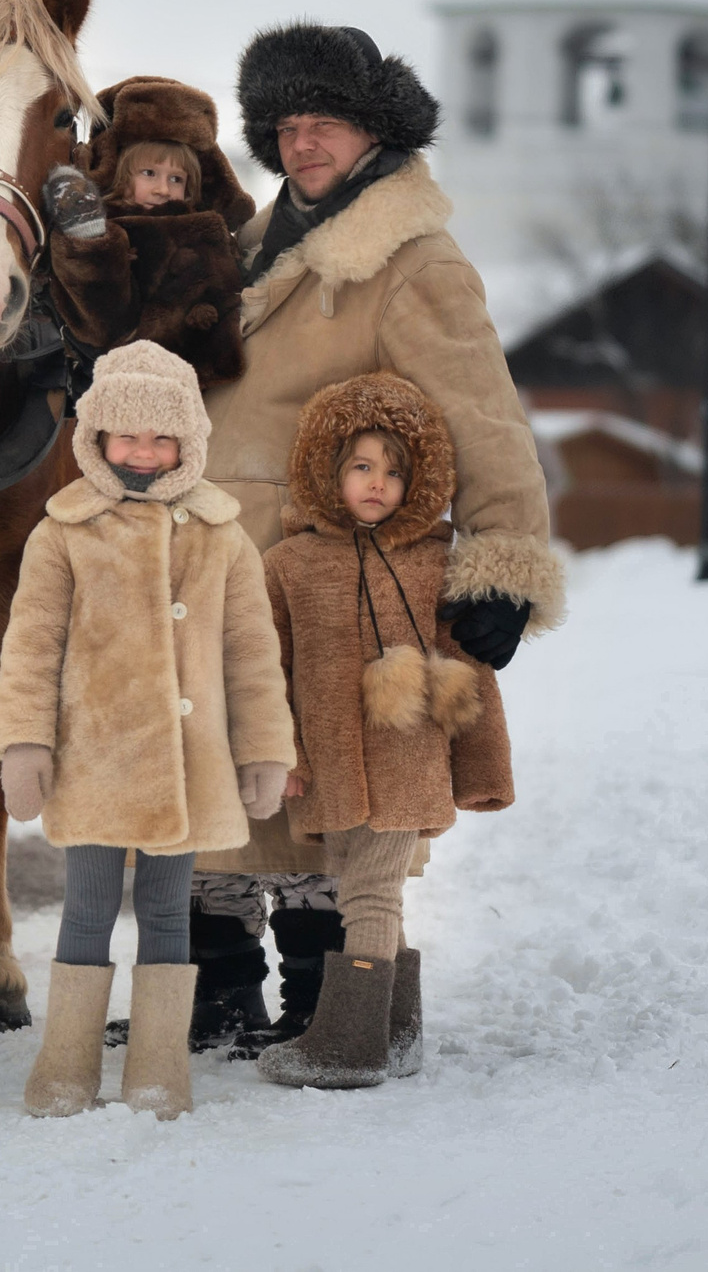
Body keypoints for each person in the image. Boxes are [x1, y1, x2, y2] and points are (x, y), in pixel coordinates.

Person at [191, 22, 562, 1051]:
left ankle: (326, 1001)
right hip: (224, 570)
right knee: (222, 791)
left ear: (375, 130)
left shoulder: (409, 260)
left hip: (333, 585)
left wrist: (500, 565)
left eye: (326, 122)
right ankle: (219, 997)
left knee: (324, 796)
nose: (302, 142)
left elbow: (483, 416)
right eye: (284, 124)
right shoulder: (260, 245)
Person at [0, 341, 296, 1118]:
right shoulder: (64, 531)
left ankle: (161, 1068)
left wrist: (264, 749)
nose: (143, 452)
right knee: (87, 910)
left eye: (162, 438)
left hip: (185, 767)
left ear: (189, 442)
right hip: (94, 761)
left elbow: (252, 655)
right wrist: (25, 742)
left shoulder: (221, 536)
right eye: (126, 435)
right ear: (95, 438)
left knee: (167, 912)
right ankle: (65, 1065)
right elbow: (29, 645)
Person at [253, 373, 512, 1089]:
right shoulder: (289, 565)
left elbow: (472, 668)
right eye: (362, 466)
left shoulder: (435, 562)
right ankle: (396, 1032)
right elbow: (266, 666)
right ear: (327, 469)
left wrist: (484, 769)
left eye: (395, 471)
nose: (378, 483)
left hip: (409, 760)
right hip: (333, 767)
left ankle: (348, 1045)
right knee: (374, 890)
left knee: (367, 891)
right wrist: (286, 752)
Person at [40, 76, 253, 387]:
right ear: (122, 175)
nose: (163, 188)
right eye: (149, 173)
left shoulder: (207, 229)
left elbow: (229, 288)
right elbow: (97, 320)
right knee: (97, 262)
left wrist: (208, 310)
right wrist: (94, 242)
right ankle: (89, 238)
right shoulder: (113, 225)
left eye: (176, 179)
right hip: (118, 363)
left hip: (196, 371)